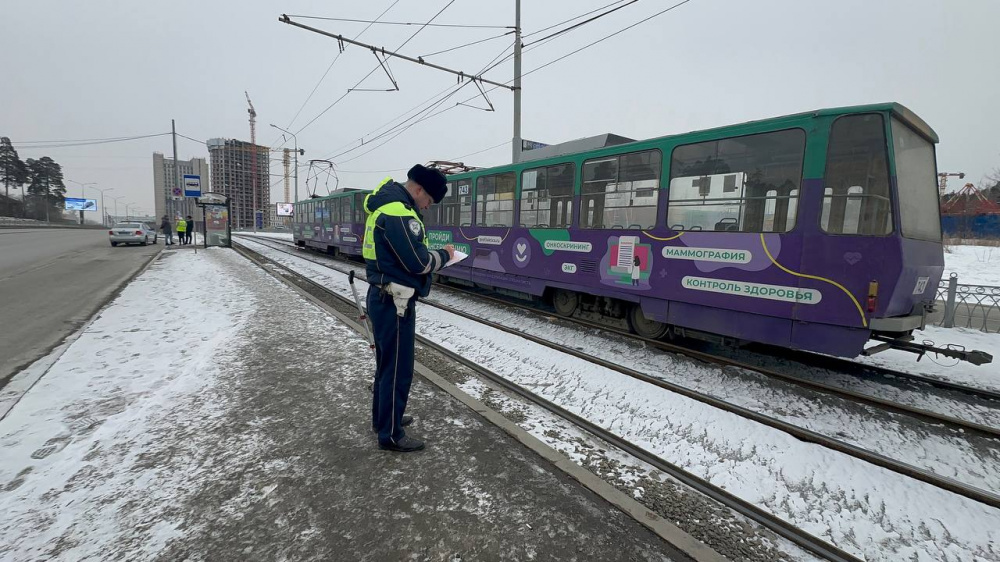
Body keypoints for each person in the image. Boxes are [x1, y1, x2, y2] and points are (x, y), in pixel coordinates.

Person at [364, 164, 454, 452]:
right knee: (398, 369)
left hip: (384, 296)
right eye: (428, 200)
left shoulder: (386, 206)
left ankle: (384, 420)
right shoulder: (399, 213)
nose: (426, 207)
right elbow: (418, 263)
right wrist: (446, 255)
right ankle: (391, 434)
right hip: (396, 302)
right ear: (418, 190)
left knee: (386, 364)